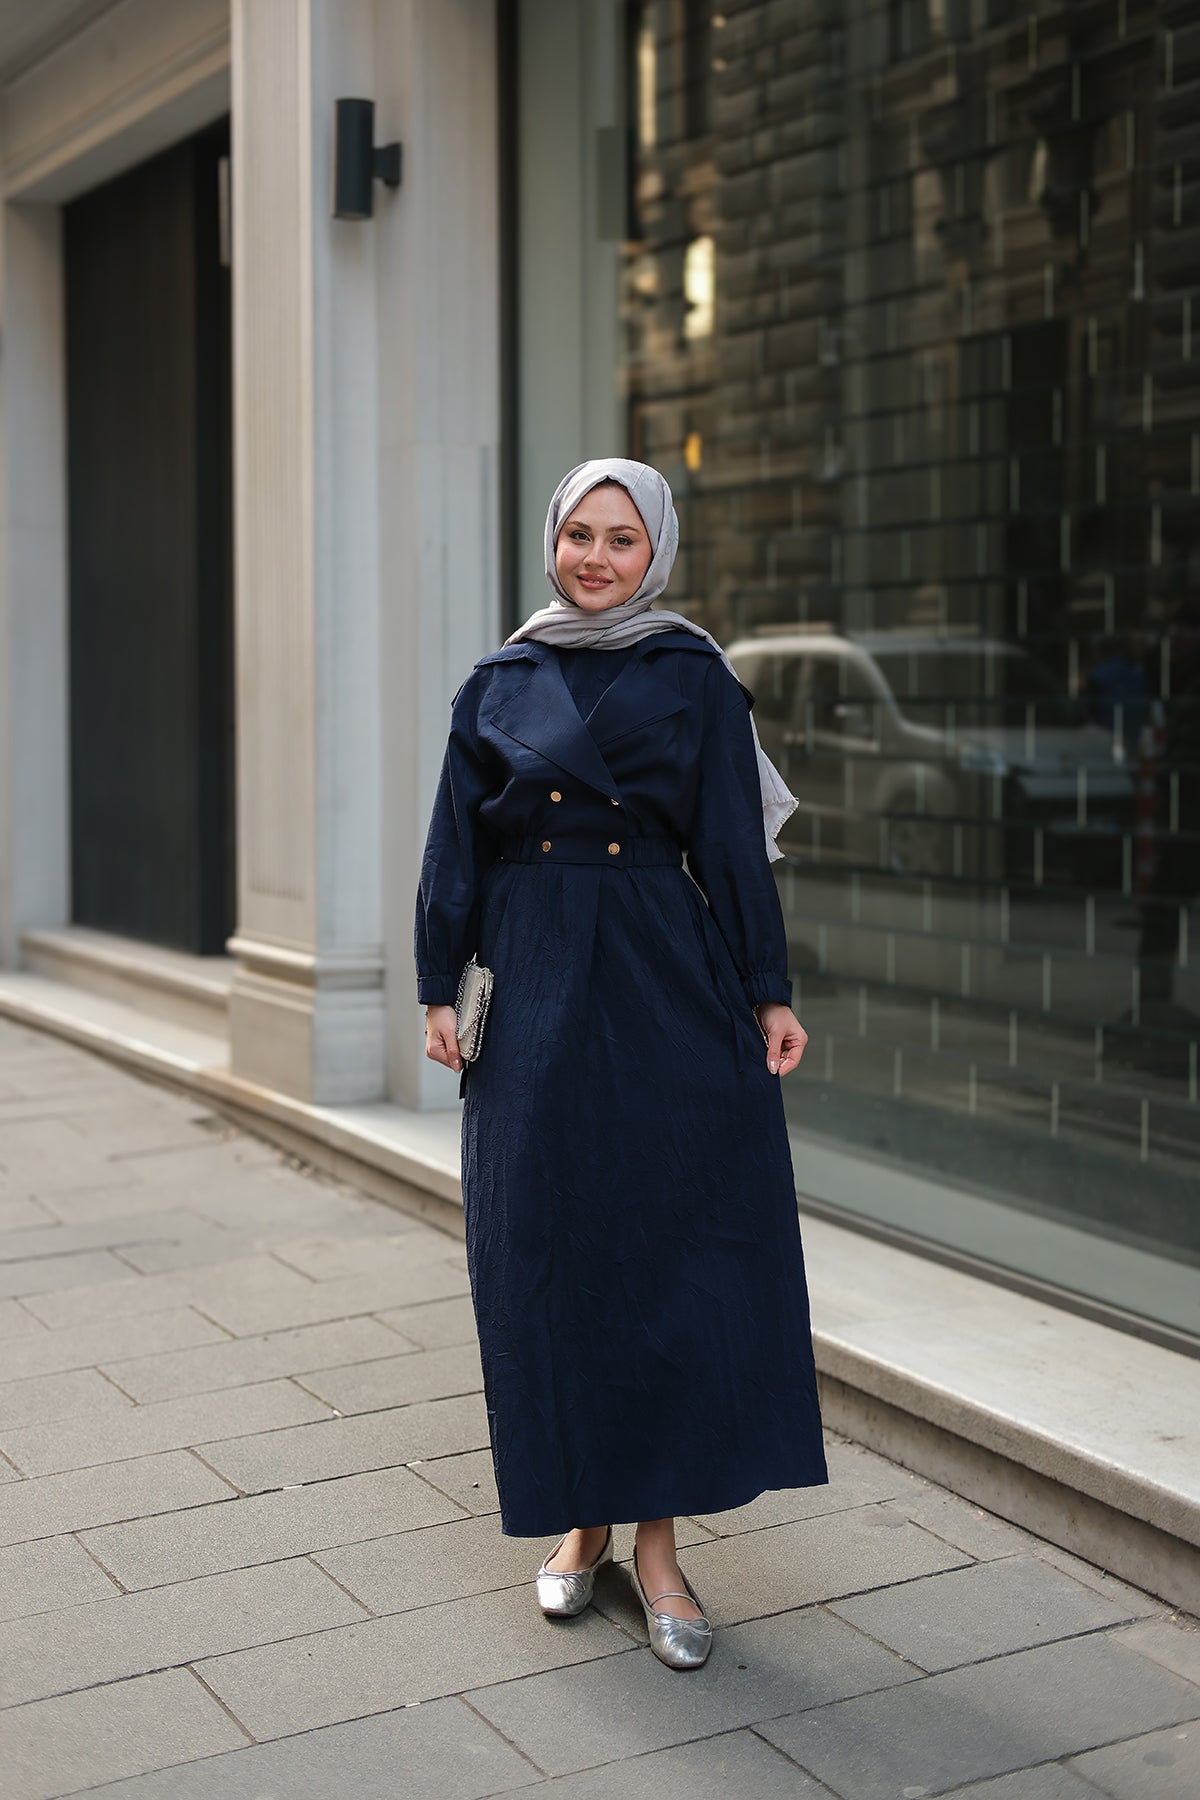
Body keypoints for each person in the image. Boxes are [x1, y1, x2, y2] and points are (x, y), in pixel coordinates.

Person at [415, 458, 827, 1671]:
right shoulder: (500, 679)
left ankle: (657, 1547)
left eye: (622, 539)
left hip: (661, 970)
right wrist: (440, 985)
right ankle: (579, 1520)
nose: (596, 558)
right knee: (545, 1249)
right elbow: (454, 845)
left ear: (658, 552)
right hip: (533, 971)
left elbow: (732, 849)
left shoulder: (694, 674)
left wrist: (768, 989)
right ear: (554, 539)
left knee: (669, 1247)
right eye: (580, 535)